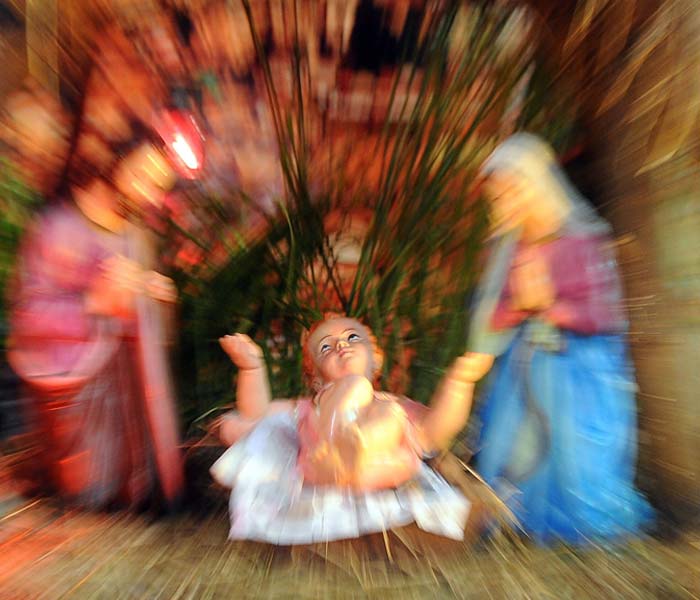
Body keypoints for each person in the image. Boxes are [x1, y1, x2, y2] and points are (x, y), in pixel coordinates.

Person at [468, 133, 652, 543]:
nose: (501, 203)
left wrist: (548, 306)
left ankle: (582, 526)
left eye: (509, 191)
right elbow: (493, 315)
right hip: (523, 370)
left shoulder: (582, 240)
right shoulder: (506, 247)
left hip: (578, 370)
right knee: (512, 445)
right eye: (496, 195)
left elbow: (603, 314)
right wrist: (521, 307)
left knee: (576, 454)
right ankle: (519, 521)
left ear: (535, 186)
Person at [7, 121, 184, 510]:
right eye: (141, 176)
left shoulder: (135, 235)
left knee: (128, 497)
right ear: (114, 164)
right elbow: (27, 319)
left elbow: (148, 324)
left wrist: (154, 297)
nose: (149, 194)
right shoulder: (59, 229)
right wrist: (92, 303)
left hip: (131, 411)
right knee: (92, 496)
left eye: (158, 186)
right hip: (82, 399)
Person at [211, 313, 493, 544]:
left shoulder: (392, 404)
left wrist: (459, 384)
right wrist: (251, 368)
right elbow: (259, 416)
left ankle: (354, 448)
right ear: (317, 379)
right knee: (356, 388)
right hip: (320, 462)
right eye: (326, 347)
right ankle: (338, 448)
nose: (341, 346)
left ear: (376, 359)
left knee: (395, 431)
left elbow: (435, 431)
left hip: (373, 472)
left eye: (352, 337)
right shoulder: (311, 406)